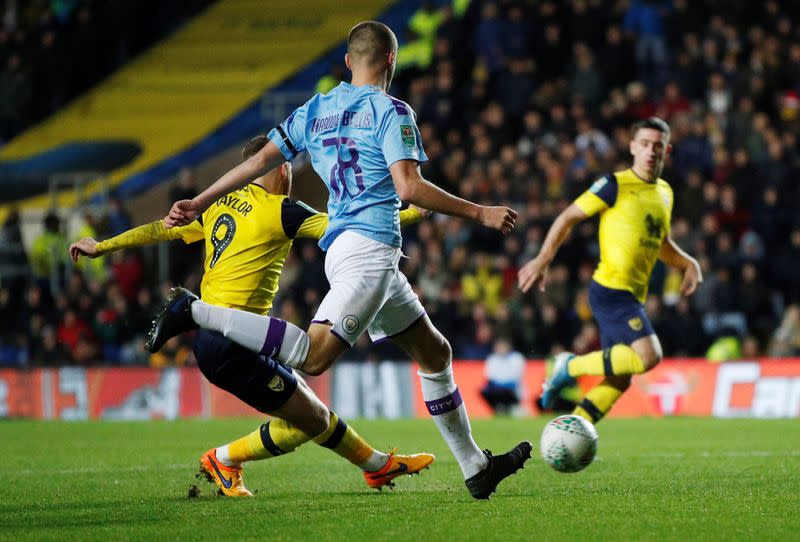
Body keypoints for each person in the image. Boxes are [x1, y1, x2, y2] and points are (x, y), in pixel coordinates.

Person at [153, 21, 529, 500]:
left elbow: (257, 162)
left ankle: (475, 467)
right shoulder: (392, 111)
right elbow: (408, 187)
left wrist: (201, 199)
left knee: (436, 353)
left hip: (352, 250)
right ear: (391, 60)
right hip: (369, 249)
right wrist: (480, 211)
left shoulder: (317, 108)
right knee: (314, 357)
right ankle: (193, 312)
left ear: (349, 62)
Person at [69, 136, 434, 497]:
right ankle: (224, 459)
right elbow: (351, 233)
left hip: (230, 337)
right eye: (289, 165)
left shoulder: (219, 205)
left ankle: (375, 466)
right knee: (311, 419)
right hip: (231, 343)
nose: (290, 173)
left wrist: (102, 246)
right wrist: (414, 213)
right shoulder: (281, 210)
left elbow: (161, 229)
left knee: (311, 414)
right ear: (280, 166)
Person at [518, 117, 702, 424]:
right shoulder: (614, 185)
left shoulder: (665, 193)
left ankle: (572, 430)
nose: (650, 151)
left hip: (633, 295)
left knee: (620, 377)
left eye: (657, 146)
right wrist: (543, 258)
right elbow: (567, 217)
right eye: (644, 144)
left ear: (667, 151)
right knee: (649, 356)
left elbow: (662, 243)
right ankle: (569, 366)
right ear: (632, 147)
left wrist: (688, 263)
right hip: (611, 290)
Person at [480, 338, 525, 415]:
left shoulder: (517, 358)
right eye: (499, 347)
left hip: (512, 390)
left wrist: (501, 384)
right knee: (485, 391)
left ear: (508, 347)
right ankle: (497, 408)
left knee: (504, 392)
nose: (501, 349)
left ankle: (509, 408)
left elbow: (516, 378)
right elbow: (489, 377)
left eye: (503, 347)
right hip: (497, 389)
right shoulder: (492, 359)